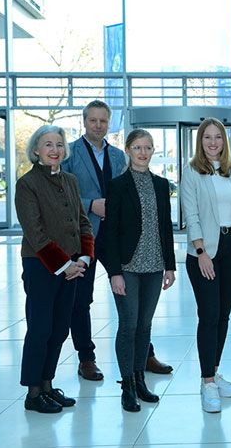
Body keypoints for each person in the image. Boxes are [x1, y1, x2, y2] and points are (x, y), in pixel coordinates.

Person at [62, 100, 172, 380]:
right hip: (85, 236)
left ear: (109, 124)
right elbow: (62, 194)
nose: (98, 125)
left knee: (133, 304)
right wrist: (89, 205)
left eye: (103, 121)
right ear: (84, 122)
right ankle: (86, 358)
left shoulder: (118, 156)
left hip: (119, 239)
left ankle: (144, 354)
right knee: (82, 299)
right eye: (93, 120)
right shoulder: (70, 153)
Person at [15, 125, 94, 413]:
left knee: (60, 328)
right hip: (41, 267)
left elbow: (83, 223)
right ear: (36, 150)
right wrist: (65, 265)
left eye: (59, 144)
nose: (54, 150)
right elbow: (34, 233)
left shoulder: (71, 180)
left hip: (73, 265)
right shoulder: (27, 184)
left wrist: (83, 260)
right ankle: (33, 392)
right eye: (47, 145)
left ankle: (47, 385)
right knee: (40, 329)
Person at [180, 118, 231, 413]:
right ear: (201, 141)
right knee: (208, 315)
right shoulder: (192, 171)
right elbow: (191, 214)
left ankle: (215, 370)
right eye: (207, 138)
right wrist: (201, 252)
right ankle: (207, 381)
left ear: (225, 141)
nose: (213, 143)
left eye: (218, 138)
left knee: (223, 316)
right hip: (204, 251)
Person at [103, 129, 177, 412]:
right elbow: (110, 232)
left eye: (147, 148)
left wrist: (170, 265)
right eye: (137, 147)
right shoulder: (118, 185)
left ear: (153, 150)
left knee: (144, 326)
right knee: (129, 324)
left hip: (155, 265)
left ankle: (139, 379)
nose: (143, 153)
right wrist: (114, 272)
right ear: (128, 150)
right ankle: (127, 386)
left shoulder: (161, 184)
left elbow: (165, 227)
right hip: (128, 266)